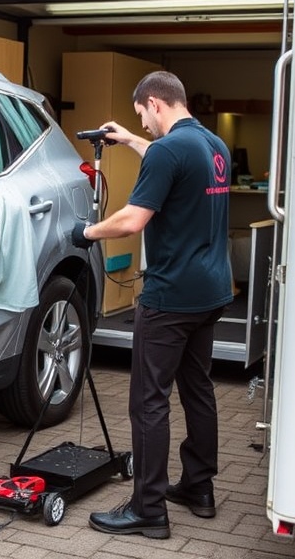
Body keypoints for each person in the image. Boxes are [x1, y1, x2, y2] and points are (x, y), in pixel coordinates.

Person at [72, 70, 233, 539]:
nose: (143, 126)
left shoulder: (168, 150)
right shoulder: (212, 145)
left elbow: (132, 220)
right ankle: (199, 489)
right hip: (211, 292)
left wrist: (87, 233)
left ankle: (148, 509)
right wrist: (126, 141)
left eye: (142, 117)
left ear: (156, 104)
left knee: (148, 402)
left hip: (171, 296)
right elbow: (170, 163)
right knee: (198, 390)